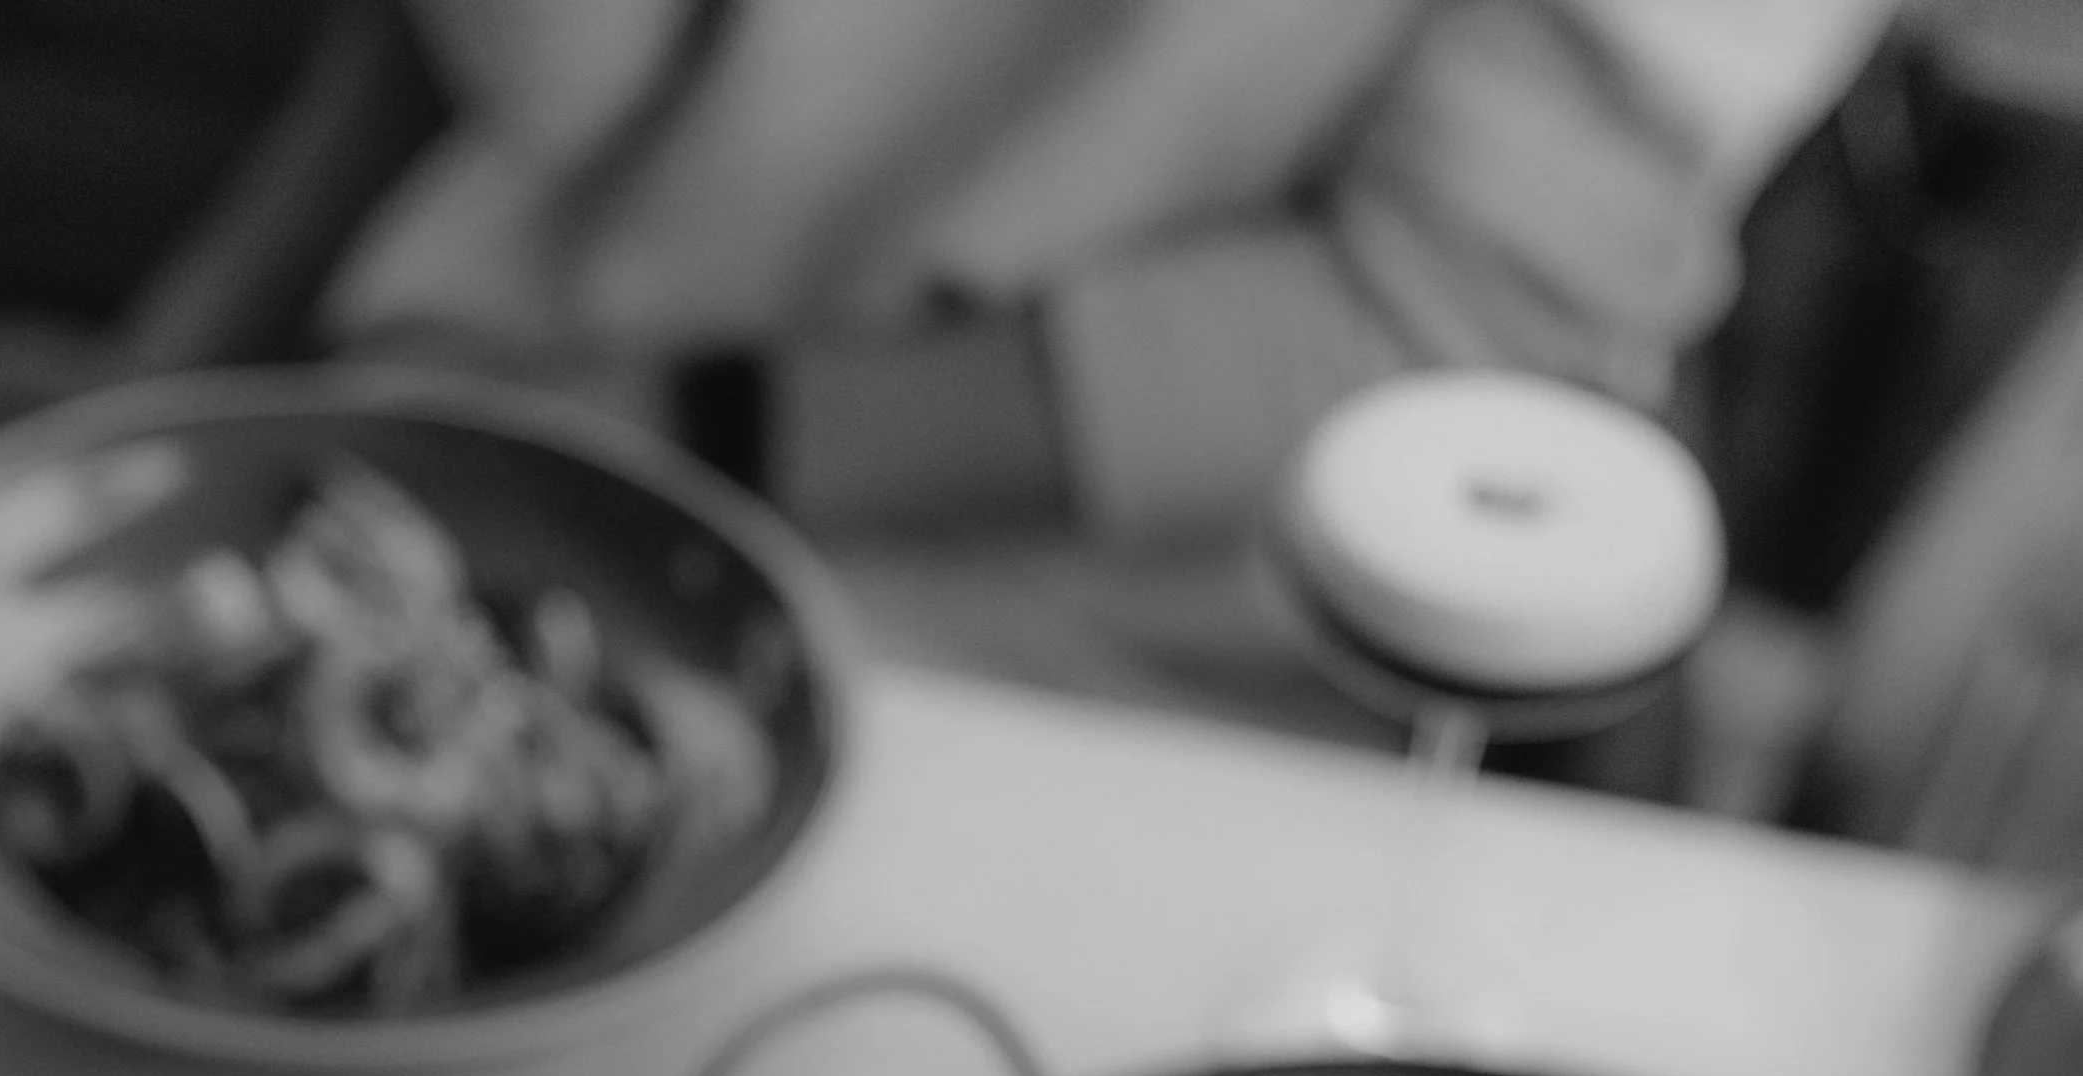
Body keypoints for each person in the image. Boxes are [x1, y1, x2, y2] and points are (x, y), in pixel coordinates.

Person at [325, 0, 1895, 720]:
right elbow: (559, 77)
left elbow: (1433, 319)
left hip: (1109, 657)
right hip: (506, 372)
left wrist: (669, 435)